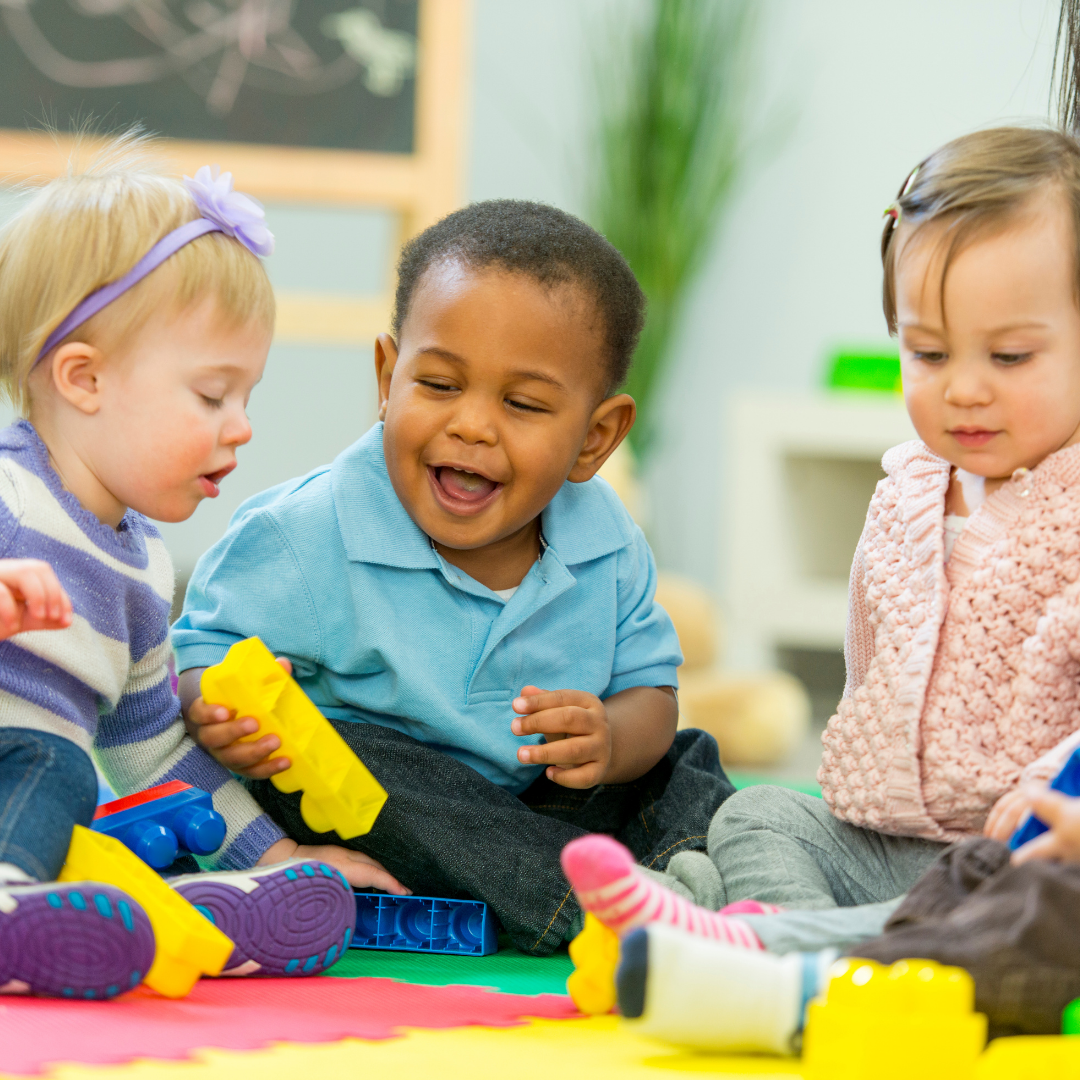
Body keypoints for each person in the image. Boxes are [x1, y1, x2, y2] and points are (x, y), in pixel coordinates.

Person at [561, 120, 1080, 1042]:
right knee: (761, 809)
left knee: (1012, 913)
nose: (962, 389)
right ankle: (746, 931)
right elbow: (869, 661)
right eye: (927, 354)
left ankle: (755, 961)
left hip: (1021, 852)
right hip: (895, 842)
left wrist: (1054, 806)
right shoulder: (906, 497)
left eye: (1008, 358)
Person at [172, 199, 734, 955]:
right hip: (383, 812)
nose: (470, 425)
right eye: (438, 385)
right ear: (387, 374)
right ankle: (606, 913)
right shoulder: (306, 534)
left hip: (539, 806)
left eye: (523, 403)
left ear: (594, 439)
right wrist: (218, 708)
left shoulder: (606, 542)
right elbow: (195, 661)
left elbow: (650, 695)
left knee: (683, 758)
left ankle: (718, 881)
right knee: (360, 757)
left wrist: (610, 736)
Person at [0, 137, 405, 999]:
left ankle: (174, 913)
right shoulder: (9, 490)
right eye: (212, 395)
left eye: (247, 397)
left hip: (30, 806)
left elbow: (151, 748)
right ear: (84, 378)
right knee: (54, 769)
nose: (242, 427)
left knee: (94, 811)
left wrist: (279, 850)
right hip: (25, 772)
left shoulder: (143, 569)